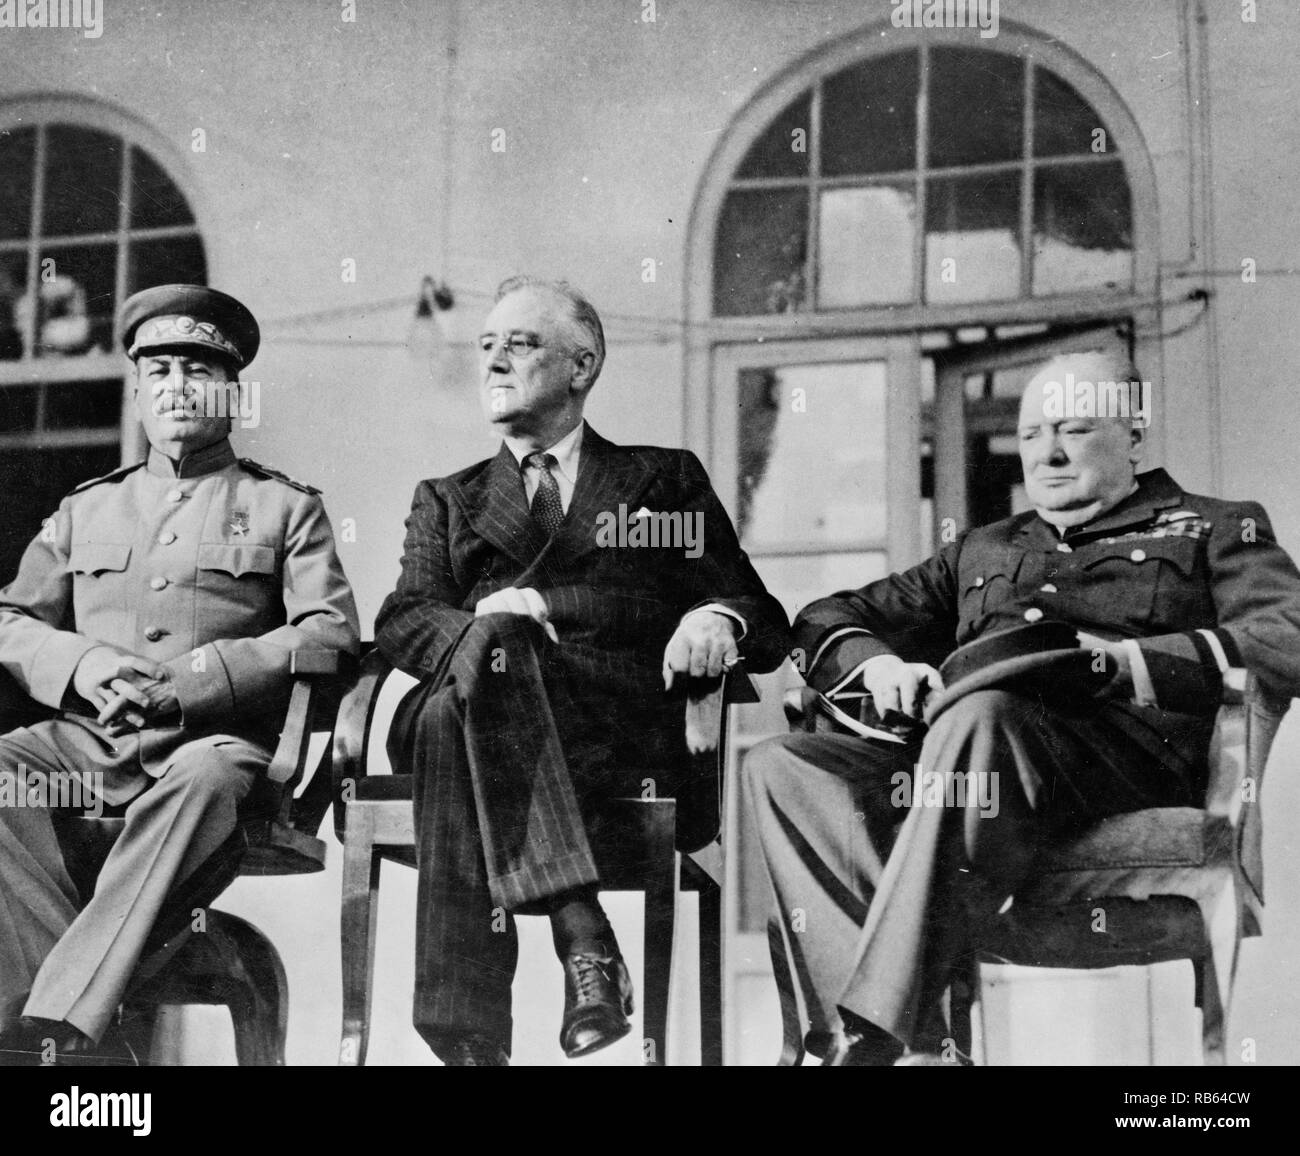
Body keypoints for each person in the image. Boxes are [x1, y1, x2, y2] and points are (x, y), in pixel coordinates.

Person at [742, 348, 1300, 1065]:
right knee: (782, 764)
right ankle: (928, 1046)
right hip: (971, 776)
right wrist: (876, 663)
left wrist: (1127, 661)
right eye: (1033, 433)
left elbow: (1287, 637)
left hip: (1118, 761)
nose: (1049, 453)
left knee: (982, 713)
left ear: (1134, 433)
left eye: (1073, 429)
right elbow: (827, 615)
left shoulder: (1215, 526)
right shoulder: (983, 549)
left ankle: (878, 1037)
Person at [377, 275, 788, 1065]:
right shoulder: (449, 498)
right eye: (486, 344)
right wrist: (496, 631)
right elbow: (404, 619)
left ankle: (466, 1043)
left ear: (583, 364)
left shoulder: (659, 480)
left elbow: (760, 618)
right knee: (486, 655)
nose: (493, 362)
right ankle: (584, 937)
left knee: (443, 715)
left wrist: (714, 618)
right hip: (487, 723)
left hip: (613, 734)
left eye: (520, 344)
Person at [0, 284, 360, 1064]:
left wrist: (197, 679)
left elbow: (331, 633)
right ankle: (47, 1000)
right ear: (137, 390)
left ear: (233, 390)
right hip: (90, 748)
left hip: (213, 749)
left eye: (197, 370)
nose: (176, 387)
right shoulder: (85, 510)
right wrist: (85, 665)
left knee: (201, 774)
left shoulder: (282, 508)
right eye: (158, 371)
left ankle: (56, 1023)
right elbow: (12, 619)